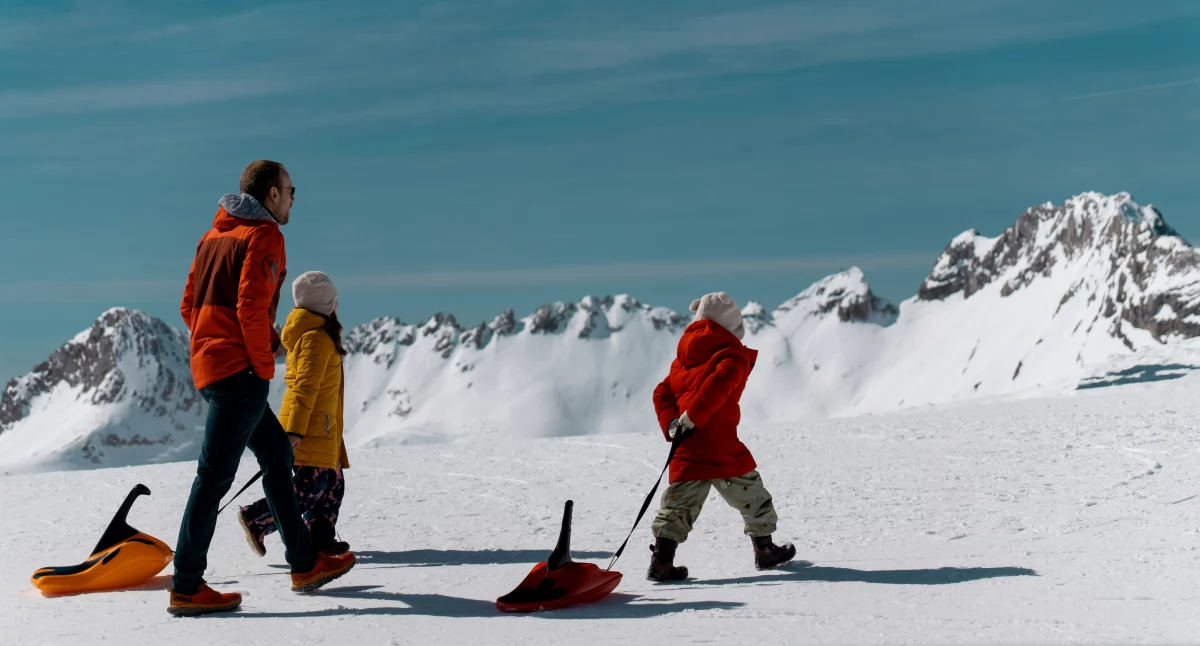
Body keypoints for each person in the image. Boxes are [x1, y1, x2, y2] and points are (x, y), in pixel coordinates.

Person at [170, 160, 355, 617]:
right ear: (271, 194)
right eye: (291, 190)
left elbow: (188, 305)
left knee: (277, 456)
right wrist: (260, 364)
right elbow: (251, 307)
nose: (294, 198)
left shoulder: (213, 237)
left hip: (214, 369)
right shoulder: (264, 235)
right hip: (239, 375)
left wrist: (215, 348)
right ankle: (186, 584)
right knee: (212, 479)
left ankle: (305, 563)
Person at [647, 291, 796, 581]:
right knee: (754, 496)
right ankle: (764, 551)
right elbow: (719, 384)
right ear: (731, 327)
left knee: (677, 506)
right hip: (721, 447)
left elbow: (661, 391)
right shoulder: (731, 355)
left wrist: (673, 424)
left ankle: (661, 562)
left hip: (686, 447)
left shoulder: (683, 360)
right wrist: (694, 417)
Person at [238, 271, 351, 557]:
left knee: (332, 484)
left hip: (323, 428)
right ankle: (257, 518)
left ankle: (320, 537)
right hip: (309, 427)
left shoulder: (320, 335)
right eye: (334, 301)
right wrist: (296, 431)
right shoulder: (316, 338)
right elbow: (304, 387)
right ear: (327, 305)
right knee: (310, 487)